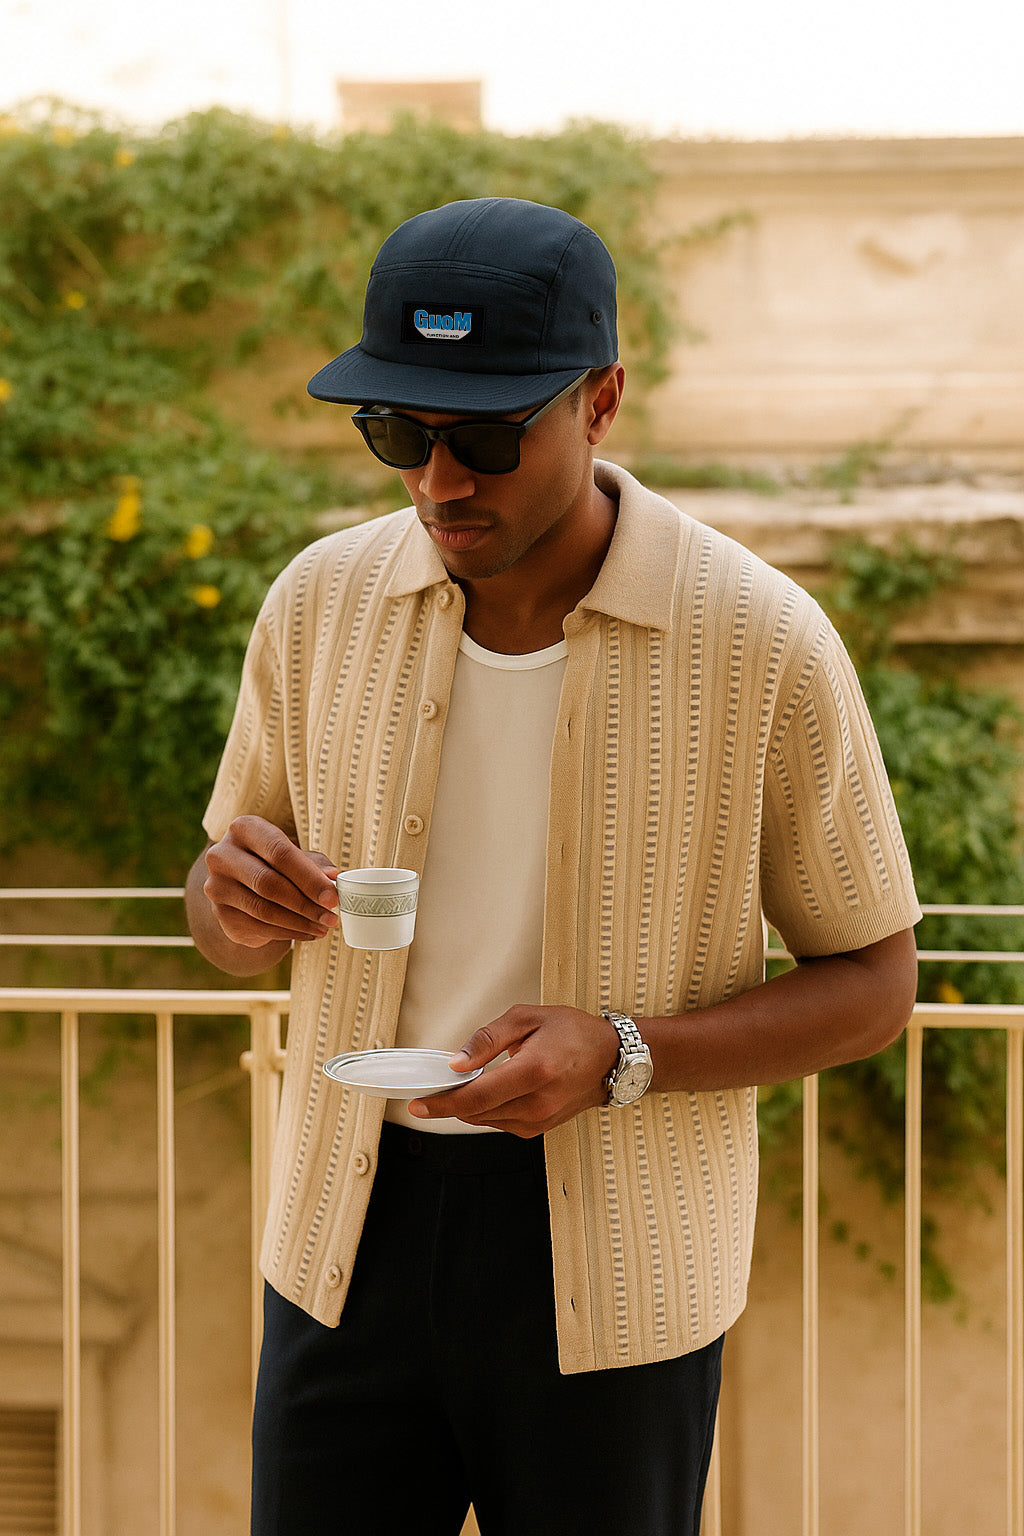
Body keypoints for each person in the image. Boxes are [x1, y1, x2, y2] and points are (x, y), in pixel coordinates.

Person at [185, 197, 921, 1536]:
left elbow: (872, 983)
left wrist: (623, 1049)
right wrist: (230, 904)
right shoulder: (317, 603)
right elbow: (222, 903)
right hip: (342, 1244)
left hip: (618, 1277)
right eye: (397, 433)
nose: (437, 481)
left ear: (603, 402)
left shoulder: (761, 641)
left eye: (484, 435)